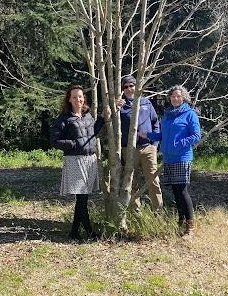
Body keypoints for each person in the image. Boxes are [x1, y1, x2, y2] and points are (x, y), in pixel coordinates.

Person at [139, 85, 201, 235]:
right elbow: (162, 136)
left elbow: (196, 136)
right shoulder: (167, 115)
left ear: (184, 98)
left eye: (178, 96)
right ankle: (180, 223)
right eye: (172, 96)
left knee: (182, 191)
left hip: (182, 157)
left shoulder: (190, 114)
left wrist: (178, 144)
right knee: (175, 192)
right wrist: (148, 135)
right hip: (168, 158)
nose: (175, 98)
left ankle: (190, 226)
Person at [50, 85, 104, 241]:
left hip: (90, 159)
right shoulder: (64, 119)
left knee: (83, 197)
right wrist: (73, 144)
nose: (78, 99)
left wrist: (105, 115)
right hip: (74, 160)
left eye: (80, 96)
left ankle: (79, 231)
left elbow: (95, 130)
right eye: (74, 97)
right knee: (81, 198)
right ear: (69, 99)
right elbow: (54, 140)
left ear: (84, 98)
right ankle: (83, 231)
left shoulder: (88, 116)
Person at [115, 75, 163, 212]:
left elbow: (155, 123)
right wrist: (115, 108)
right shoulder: (121, 106)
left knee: (153, 181)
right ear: (123, 89)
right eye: (126, 87)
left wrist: (154, 144)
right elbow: (112, 124)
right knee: (131, 182)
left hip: (148, 148)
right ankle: (136, 212)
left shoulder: (146, 102)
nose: (129, 89)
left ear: (136, 87)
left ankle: (158, 212)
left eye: (132, 85)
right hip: (129, 150)